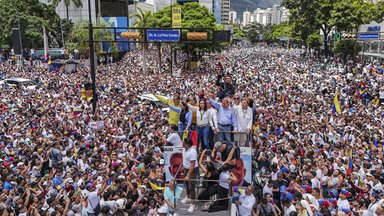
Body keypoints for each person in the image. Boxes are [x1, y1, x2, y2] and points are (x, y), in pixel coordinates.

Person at [180, 138, 198, 213]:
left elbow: (192, 165)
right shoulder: (184, 149)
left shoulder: (193, 152)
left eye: (183, 142)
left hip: (192, 170)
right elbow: (185, 159)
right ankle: (188, 196)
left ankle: (192, 203)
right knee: (186, 184)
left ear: (187, 144)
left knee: (191, 187)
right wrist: (182, 166)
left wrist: (188, 175)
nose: (182, 143)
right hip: (186, 168)